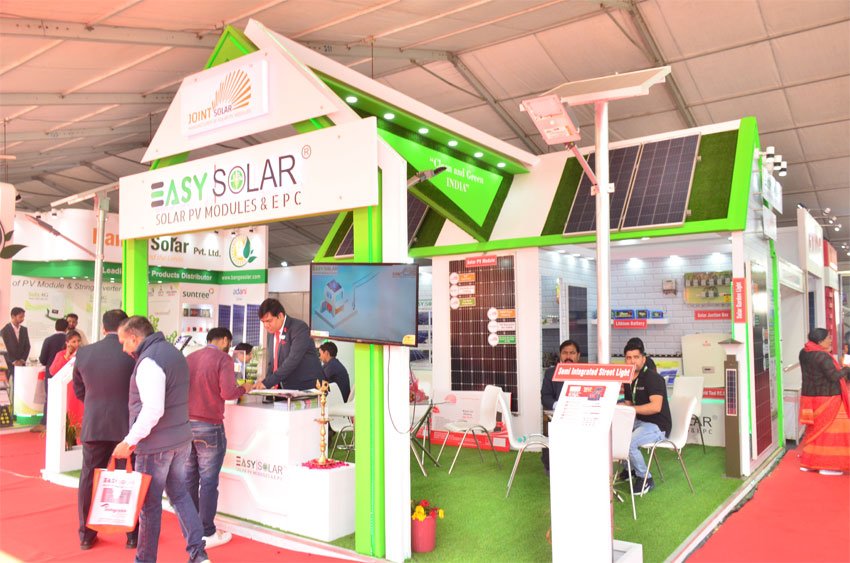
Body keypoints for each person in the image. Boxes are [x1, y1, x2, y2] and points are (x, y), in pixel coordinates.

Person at [111, 316, 209, 563]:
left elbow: (153, 409)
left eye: (124, 342)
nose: (123, 348)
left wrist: (129, 441)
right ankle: (198, 553)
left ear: (134, 337)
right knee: (180, 495)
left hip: (155, 446)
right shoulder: (173, 353)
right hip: (179, 440)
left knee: (150, 506)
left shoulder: (149, 362)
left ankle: (146, 560)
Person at [72, 310, 138, 551]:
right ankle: (132, 535)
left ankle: (86, 535)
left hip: (95, 425)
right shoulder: (133, 353)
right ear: (126, 328)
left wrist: (95, 406)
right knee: (128, 478)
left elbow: (79, 390)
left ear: (103, 328)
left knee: (89, 479)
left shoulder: (85, 352)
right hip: (126, 428)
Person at [185, 327, 252, 548]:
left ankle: (192, 526)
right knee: (208, 481)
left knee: (190, 478)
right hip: (209, 426)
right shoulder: (223, 359)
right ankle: (207, 531)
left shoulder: (191, 357)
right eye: (229, 342)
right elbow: (228, 393)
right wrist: (245, 388)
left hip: (186, 425)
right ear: (224, 340)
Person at [622, 339, 672, 495]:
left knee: (629, 443)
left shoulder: (653, 378)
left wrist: (631, 409)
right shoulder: (628, 379)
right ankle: (630, 469)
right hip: (639, 421)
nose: (632, 361)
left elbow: (655, 407)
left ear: (643, 359)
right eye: (629, 358)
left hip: (657, 426)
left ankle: (645, 479)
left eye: (636, 357)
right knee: (617, 433)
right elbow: (629, 403)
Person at [798, 328, 850, 475]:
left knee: (815, 431)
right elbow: (834, 376)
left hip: (810, 397)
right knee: (830, 433)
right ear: (820, 341)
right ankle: (828, 466)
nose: (831, 340)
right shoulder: (822, 356)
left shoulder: (804, 352)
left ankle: (809, 463)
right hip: (827, 397)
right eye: (828, 338)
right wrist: (846, 368)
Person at [254, 298, 324, 391]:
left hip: (306, 387)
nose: (266, 325)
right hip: (283, 389)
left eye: (269, 321)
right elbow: (272, 363)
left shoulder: (299, 328)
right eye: (263, 322)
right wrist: (266, 383)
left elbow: (292, 360)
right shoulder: (272, 333)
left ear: (280, 316)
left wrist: (268, 382)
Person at [540, 339, 581, 472]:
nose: (568, 356)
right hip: (558, 417)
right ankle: (552, 467)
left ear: (578, 355)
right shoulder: (551, 373)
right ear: (560, 355)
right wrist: (557, 405)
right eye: (565, 353)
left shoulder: (586, 372)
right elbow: (545, 397)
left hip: (581, 417)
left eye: (572, 353)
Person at [34, 318, 68, 432]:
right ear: (66, 328)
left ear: (55, 327)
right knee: (66, 398)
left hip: (51, 373)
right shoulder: (70, 340)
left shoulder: (48, 340)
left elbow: (43, 359)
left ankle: (45, 422)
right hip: (67, 373)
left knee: (49, 398)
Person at [50, 330, 84, 436]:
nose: (77, 344)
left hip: (80, 387)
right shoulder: (61, 354)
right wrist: (66, 356)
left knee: (80, 414)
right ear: (67, 343)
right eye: (73, 341)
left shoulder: (84, 353)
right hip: (66, 389)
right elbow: (53, 371)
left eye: (78, 341)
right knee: (67, 413)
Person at [1, 306, 30, 371]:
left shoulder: (24, 330)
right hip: (9, 365)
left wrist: (22, 360)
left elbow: (27, 346)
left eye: (23, 317)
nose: (23, 319)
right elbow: (2, 350)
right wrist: (14, 361)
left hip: (21, 365)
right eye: (20, 317)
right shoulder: (4, 331)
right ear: (13, 316)